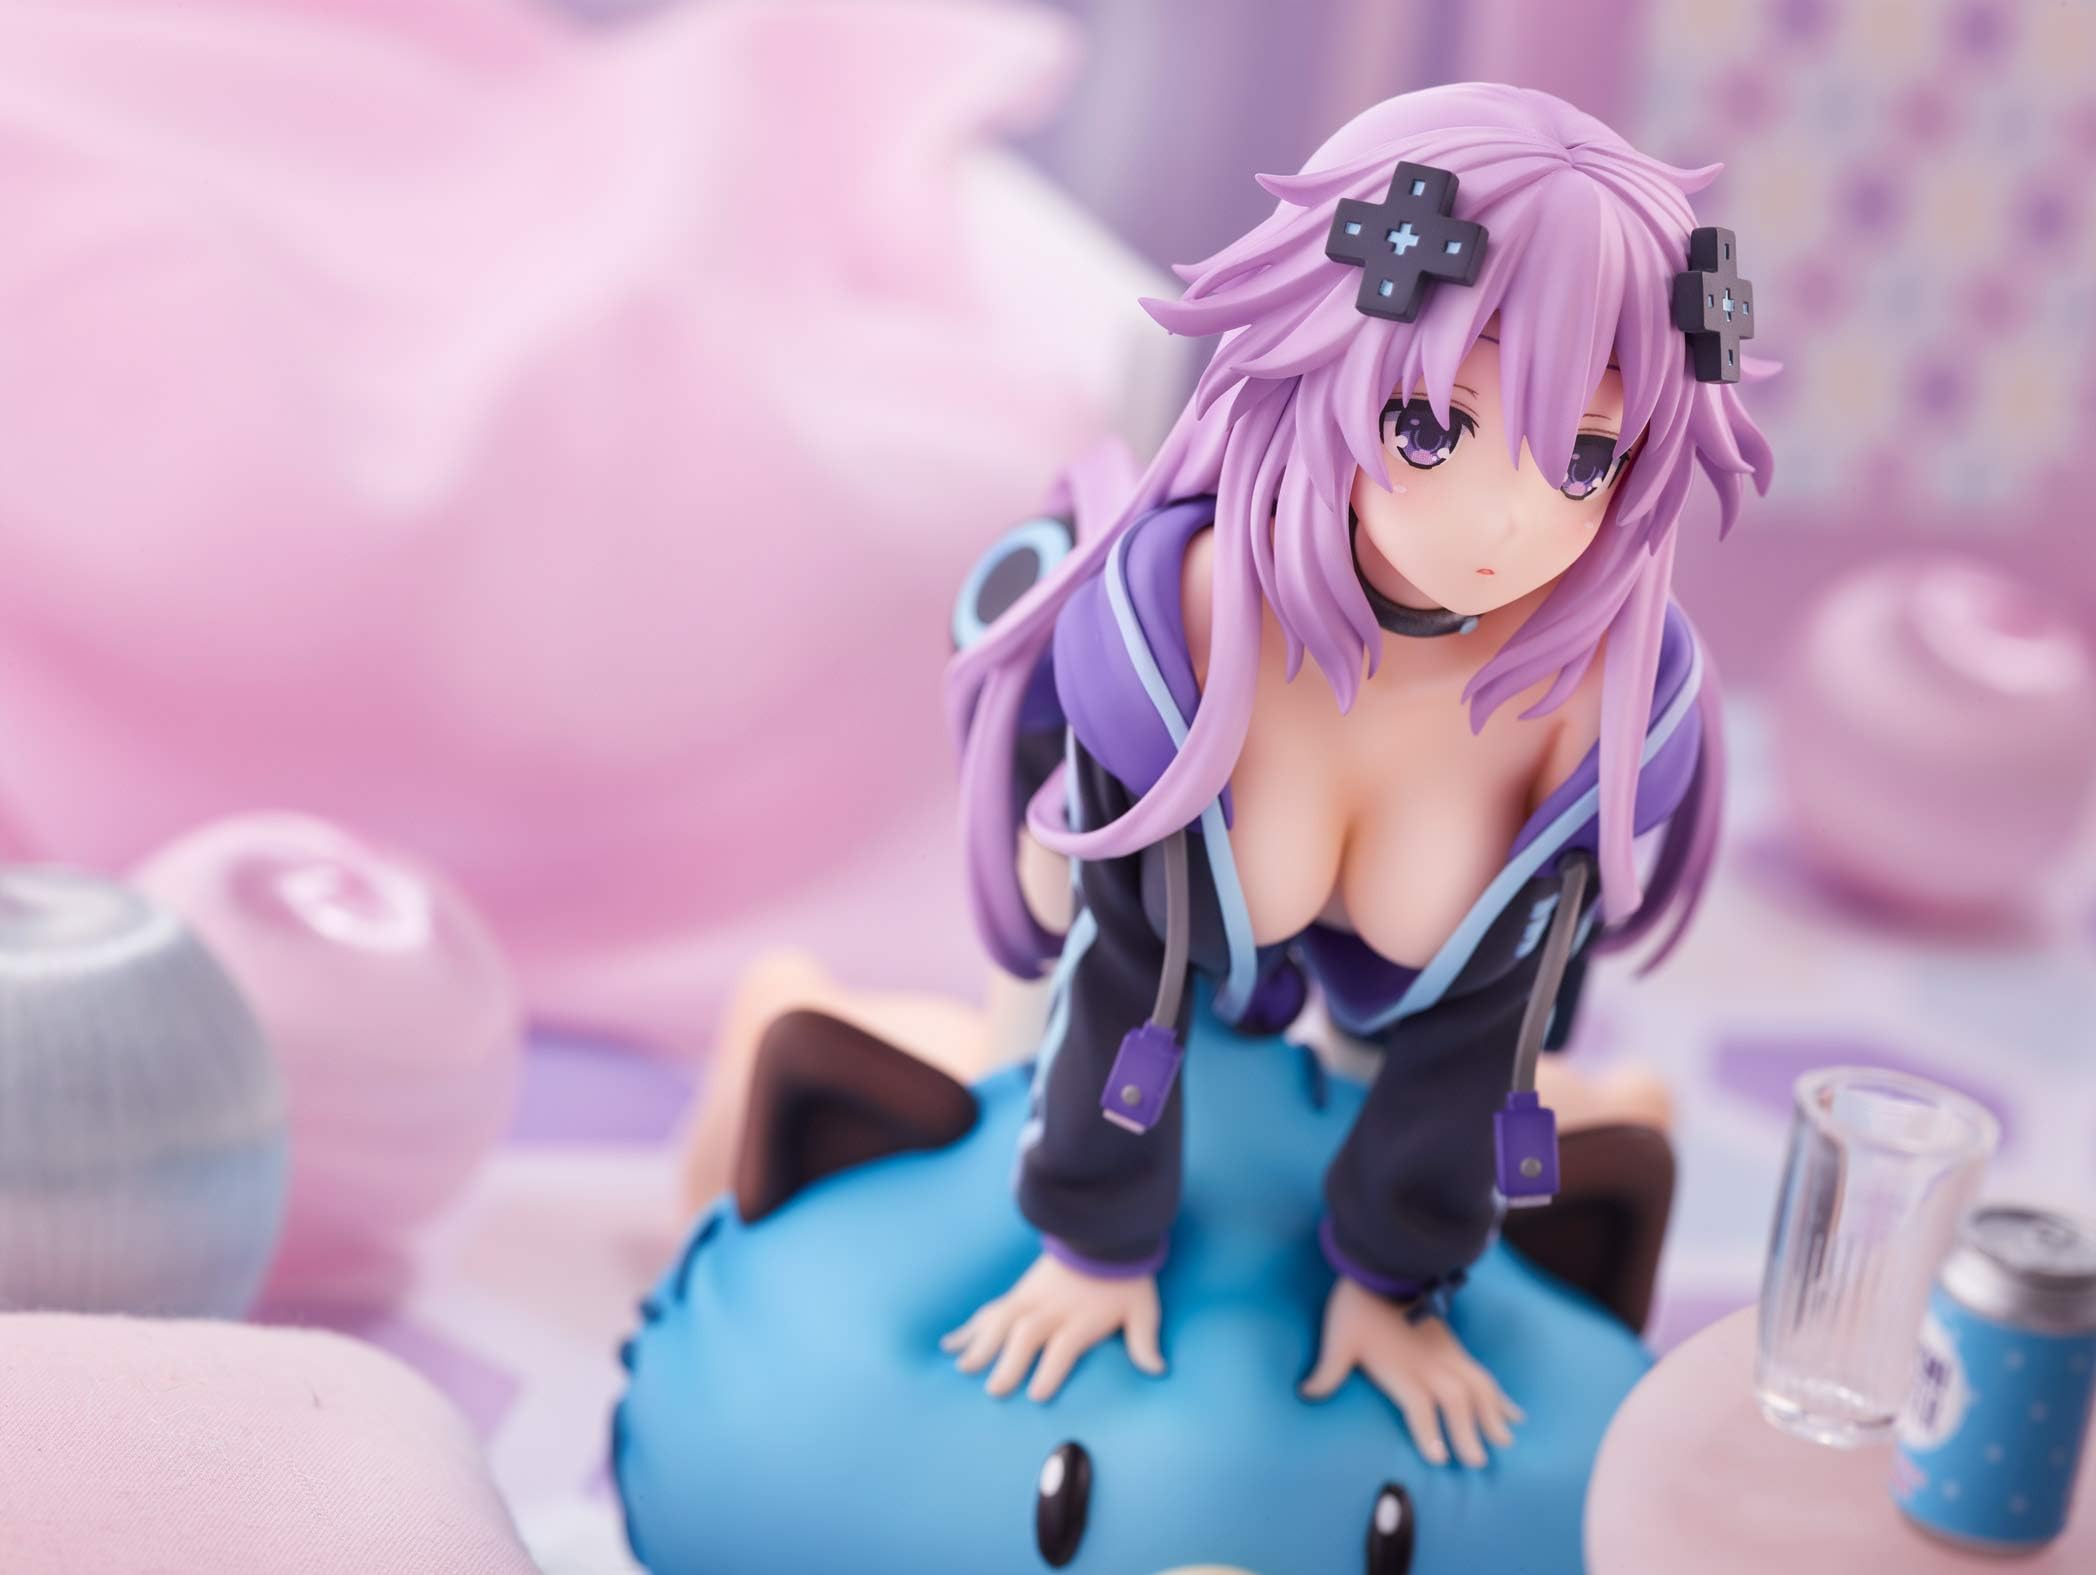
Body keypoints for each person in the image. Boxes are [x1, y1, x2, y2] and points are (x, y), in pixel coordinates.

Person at [938, 81, 1771, 1471]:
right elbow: (1118, 957)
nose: (1508, 522)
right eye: (1434, 427)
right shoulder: (1187, 622)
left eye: (1586, 456)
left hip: (1406, 1044)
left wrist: (1398, 1282)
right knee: (1024, 1003)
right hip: (1110, 982)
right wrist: (1092, 1241)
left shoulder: (1589, 709)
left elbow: (1488, 1026)